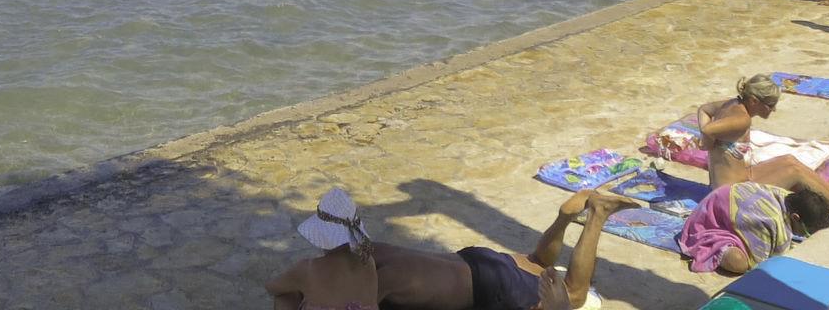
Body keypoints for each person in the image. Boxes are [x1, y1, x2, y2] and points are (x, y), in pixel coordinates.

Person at [264, 184, 621, 310]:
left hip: (486, 285)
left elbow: (282, 291)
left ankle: (597, 214)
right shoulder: (372, 250)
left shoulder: (366, 283)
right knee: (534, 262)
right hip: (470, 261)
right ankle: (563, 218)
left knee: (574, 294)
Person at [695, 75, 829, 213]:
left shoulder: (731, 104)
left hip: (738, 181)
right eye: (770, 105)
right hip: (731, 196)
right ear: (754, 101)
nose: (773, 110)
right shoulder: (742, 119)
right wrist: (706, 144)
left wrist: (710, 141)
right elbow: (708, 130)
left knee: (790, 161)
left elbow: (704, 109)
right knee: (795, 173)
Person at [676, 179, 829, 277]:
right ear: (795, 217)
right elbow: (763, 264)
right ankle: (717, 248)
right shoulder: (770, 220)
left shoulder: (788, 197)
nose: (805, 236)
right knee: (739, 263)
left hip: (732, 207)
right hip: (713, 218)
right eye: (806, 232)